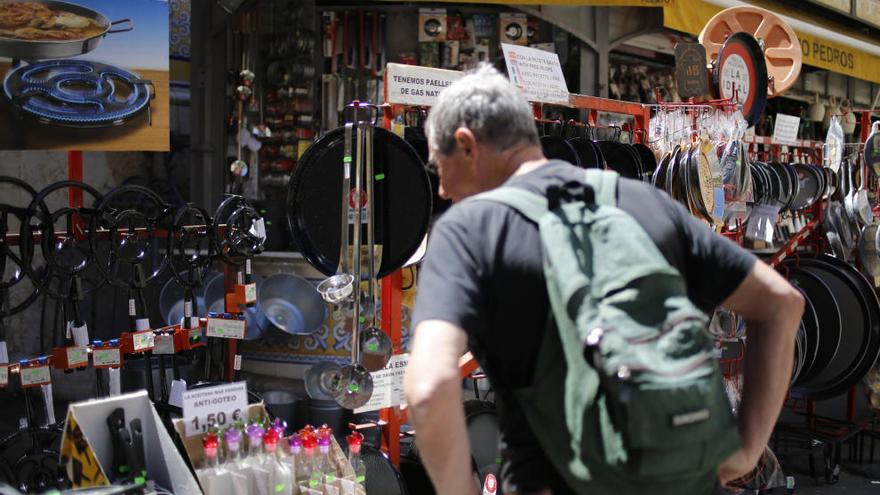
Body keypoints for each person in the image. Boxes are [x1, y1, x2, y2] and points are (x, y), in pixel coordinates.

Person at [403, 65, 804, 495]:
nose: (442, 190)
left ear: (466, 145)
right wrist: (745, 450)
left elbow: (428, 386)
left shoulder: (468, 229)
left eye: (439, 166)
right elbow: (782, 302)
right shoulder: (643, 201)